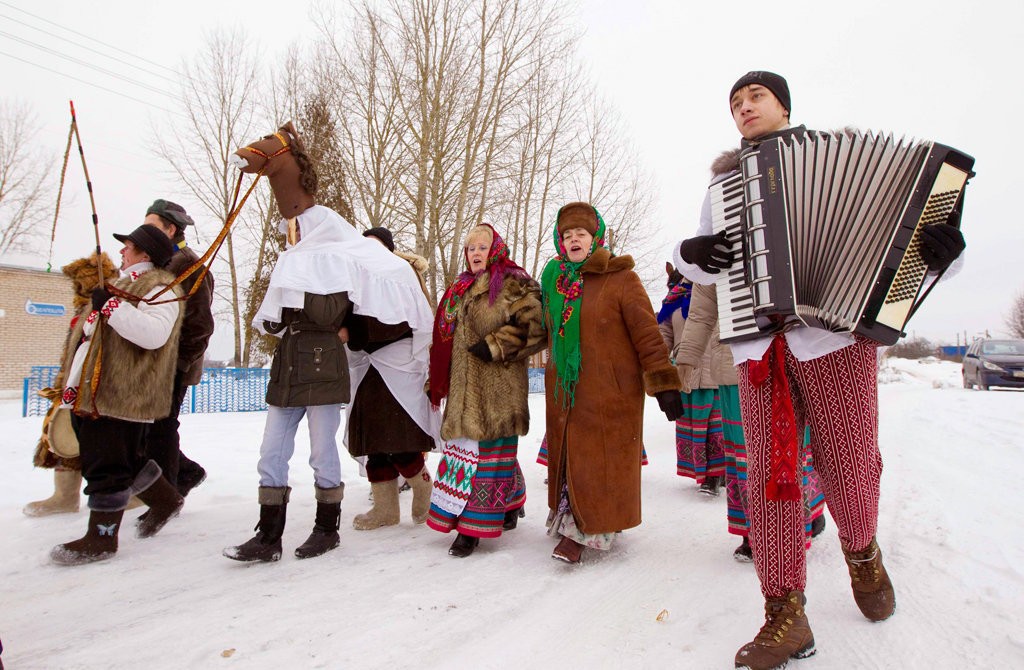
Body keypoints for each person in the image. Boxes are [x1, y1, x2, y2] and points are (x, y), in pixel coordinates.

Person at [674, 71, 966, 669]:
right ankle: (785, 612)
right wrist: (693, 254)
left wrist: (945, 251)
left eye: (754, 97)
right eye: (734, 102)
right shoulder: (726, 181)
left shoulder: (844, 160)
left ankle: (863, 554)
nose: (744, 107)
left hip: (837, 339)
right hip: (760, 348)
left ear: (783, 104)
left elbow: (911, 242)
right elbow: (699, 259)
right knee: (770, 475)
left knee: (850, 466)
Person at [224, 124, 431, 562]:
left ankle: (326, 527)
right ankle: (268, 535)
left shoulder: (340, 268)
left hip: (323, 364)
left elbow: (346, 311)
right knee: (271, 451)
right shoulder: (294, 263)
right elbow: (273, 321)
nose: (295, 239)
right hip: (289, 365)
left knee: (324, 451)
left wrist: (336, 327)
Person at [542, 202, 683, 564]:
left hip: (610, 391)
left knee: (599, 460)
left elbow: (647, 334)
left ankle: (585, 532)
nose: (574, 240)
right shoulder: (556, 283)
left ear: (596, 239)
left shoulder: (621, 278)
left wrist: (664, 384)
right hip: (566, 391)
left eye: (581, 235)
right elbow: (541, 332)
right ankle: (581, 518)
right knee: (575, 458)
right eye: (567, 235)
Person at [50, 225, 186, 565]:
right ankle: (166, 500)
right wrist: (73, 386)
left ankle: (102, 537)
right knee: (126, 461)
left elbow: (154, 334)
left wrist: (111, 307)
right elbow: (93, 342)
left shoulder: (160, 287)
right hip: (96, 394)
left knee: (106, 465)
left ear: (145, 253)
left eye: (128, 247)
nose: (122, 253)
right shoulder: (120, 287)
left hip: (124, 394)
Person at [671, 281, 826, 563]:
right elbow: (700, 313)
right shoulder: (714, 250)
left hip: (795, 358)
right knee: (745, 456)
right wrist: (686, 360)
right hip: (734, 366)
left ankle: (807, 516)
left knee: (793, 447)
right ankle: (751, 532)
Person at [425, 223, 545, 557]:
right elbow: (444, 340)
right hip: (463, 390)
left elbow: (536, 327)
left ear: (495, 249)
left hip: (498, 390)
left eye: (482, 247)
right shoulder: (459, 288)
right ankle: (509, 503)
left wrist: (496, 345)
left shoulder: (515, 282)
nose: (475, 254)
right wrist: (435, 379)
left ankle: (472, 528)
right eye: (470, 248)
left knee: (487, 458)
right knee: (474, 457)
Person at [344, 226, 438, 530]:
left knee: (400, 439)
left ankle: (424, 492)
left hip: (397, 365)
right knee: (372, 441)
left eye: (375, 246)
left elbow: (404, 322)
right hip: (366, 367)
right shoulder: (354, 279)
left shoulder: (400, 276)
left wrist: (354, 333)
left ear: (387, 249)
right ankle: (385, 509)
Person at [24, 252, 117, 517]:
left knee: (102, 443)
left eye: (82, 282)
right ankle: (64, 496)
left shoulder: (107, 306)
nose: (78, 287)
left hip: (94, 385)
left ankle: (127, 495)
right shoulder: (81, 310)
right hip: (71, 383)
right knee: (60, 436)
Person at [141, 199, 215, 499]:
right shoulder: (159, 264)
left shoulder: (189, 266)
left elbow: (200, 325)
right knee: (150, 428)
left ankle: (166, 493)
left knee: (162, 427)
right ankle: (185, 472)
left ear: (170, 229)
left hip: (173, 365)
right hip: (153, 362)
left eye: (150, 227)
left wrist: (180, 363)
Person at [658, 263, 726, 496]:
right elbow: (664, 332)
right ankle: (704, 472)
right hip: (685, 373)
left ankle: (714, 476)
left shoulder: (716, 288)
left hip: (715, 371)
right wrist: (657, 362)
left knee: (716, 428)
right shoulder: (674, 299)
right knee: (693, 426)